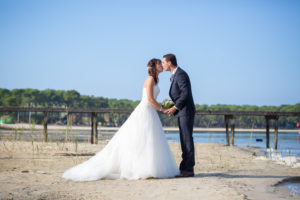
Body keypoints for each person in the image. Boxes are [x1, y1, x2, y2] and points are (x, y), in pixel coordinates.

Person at [62, 58, 180, 181]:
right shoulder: (150, 79)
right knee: (142, 139)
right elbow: (150, 99)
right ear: (154, 67)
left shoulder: (155, 80)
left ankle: (149, 167)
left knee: (149, 140)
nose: (162, 65)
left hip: (151, 112)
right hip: (145, 111)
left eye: (162, 63)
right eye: (159, 64)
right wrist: (162, 109)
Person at [162, 53, 196, 177]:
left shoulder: (180, 74)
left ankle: (188, 169)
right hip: (182, 111)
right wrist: (172, 104)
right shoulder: (175, 74)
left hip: (186, 111)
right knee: (184, 139)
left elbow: (185, 93)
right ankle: (185, 167)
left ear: (169, 63)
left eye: (164, 62)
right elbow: (180, 94)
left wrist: (175, 107)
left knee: (187, 140)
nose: (162, 65)